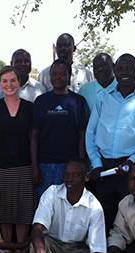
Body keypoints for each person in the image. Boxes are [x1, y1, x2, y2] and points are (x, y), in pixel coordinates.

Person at [12, 160, 108, 253]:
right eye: (67, 175)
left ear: (86, 178)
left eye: (76, 175)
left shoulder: (94, 207)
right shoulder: (52, 192)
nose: (70, 179)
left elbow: (98, 251)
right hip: (51, 242)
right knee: (36, 247)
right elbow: (37, 229)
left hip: (75, 249)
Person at [86, 53, 135, 235]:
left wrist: (132, 161)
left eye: (128, 68)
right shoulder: (103, 97)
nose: (123, 72)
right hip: (103, 168)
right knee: (103, 216)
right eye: (120, 68)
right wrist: (96, 163)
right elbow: (91, 132)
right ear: (114, 71)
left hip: (130, 168)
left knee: (130, 220)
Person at [32, 59, 89, 197]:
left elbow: (82, 136)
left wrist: (81, 165)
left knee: (69, 204)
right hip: (45, 165)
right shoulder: (41, 101)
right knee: (46, 206)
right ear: (50, 76)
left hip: (70, 166)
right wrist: (34, 167)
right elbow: (34, 136)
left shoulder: (78, 102)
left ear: (69, 76)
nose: (58, 77)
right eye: (54, 74)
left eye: (62, 74)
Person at [0, 66, 35, 245]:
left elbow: (33, 138)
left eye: (13, 80)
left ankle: (20, 249)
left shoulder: (29, 108)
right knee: (5, 212)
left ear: (19, 83)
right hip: (1, 167)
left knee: (23, 212)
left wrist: (34, 166)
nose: (9, 84)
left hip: (24, 167)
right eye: (4, 81)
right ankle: (8, 248)